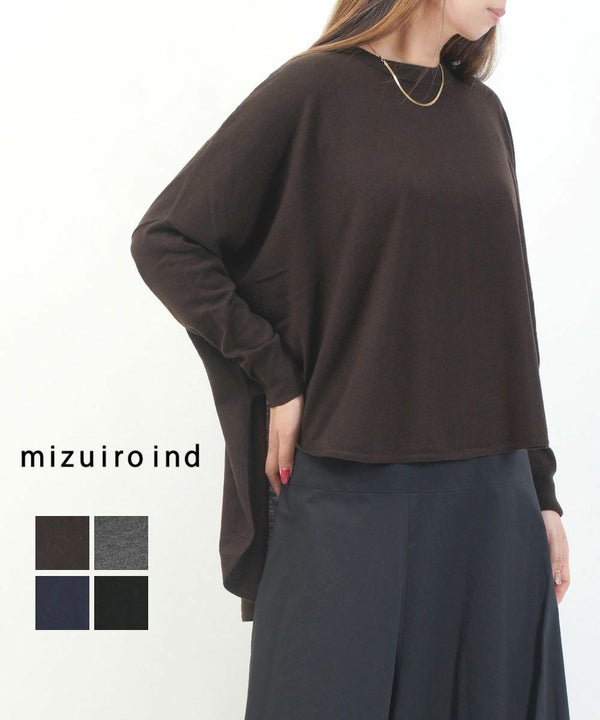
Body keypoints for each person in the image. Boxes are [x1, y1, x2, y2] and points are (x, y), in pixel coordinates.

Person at [130, 1, 571, 717]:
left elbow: (509, 316)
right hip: (348, 486)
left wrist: (540, 491)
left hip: (492, 497)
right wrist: (275, 377)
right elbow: (168, 241)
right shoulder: (313, 91)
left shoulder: (483, 113)